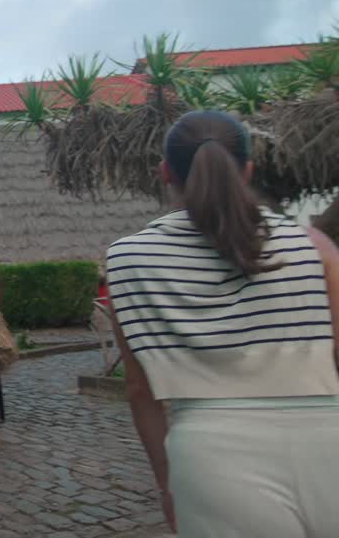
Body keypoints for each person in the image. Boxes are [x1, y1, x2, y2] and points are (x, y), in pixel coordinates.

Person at [106, 110, 339, 537]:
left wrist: (167, 481)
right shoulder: (313, 246)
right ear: (248, 169)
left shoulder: (128, 259)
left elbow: (141, 389)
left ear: (164, 173)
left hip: (212, 456)